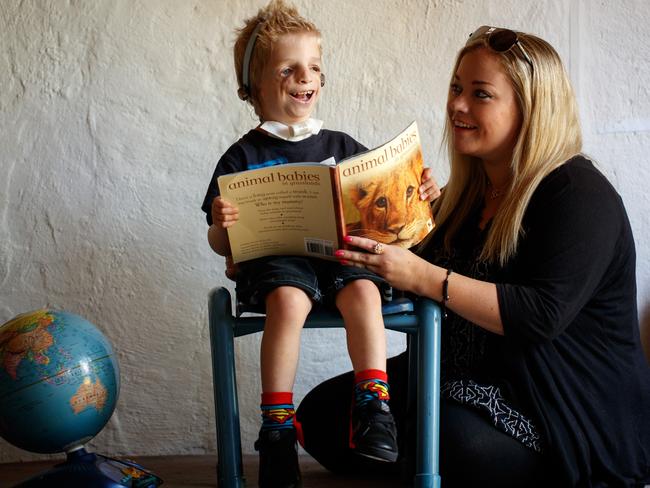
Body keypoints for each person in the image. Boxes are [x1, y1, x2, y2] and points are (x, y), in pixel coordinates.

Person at [297, 26, 650, 487]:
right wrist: (393, 223)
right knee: (319, 417)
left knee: (443, 441)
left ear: (530, 109)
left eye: (480, 94)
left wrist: (426, 277)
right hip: (458, 377)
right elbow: (401, 279)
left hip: (554, 403)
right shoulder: (466, 194)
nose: (457, 105)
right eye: (456, 88)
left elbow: (541, 314)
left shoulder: (578, 194)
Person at [201, 2, 438, 486]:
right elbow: (218, 241)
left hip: (341, 259)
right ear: (253, 88)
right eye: (288, 68)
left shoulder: (343, 145)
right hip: (278, 265)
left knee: (364, 291)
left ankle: (374, 406)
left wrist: (420, 192)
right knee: (288, 301)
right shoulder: (242, 155)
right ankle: (278, 428)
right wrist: (224, 225)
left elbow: (384, 209)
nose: (304, 77)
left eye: (313, 68)